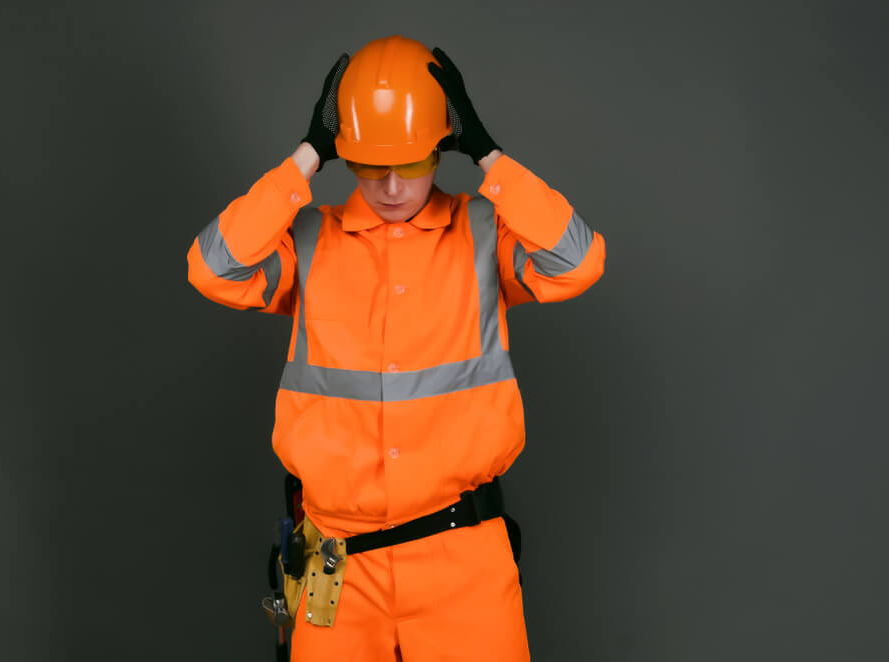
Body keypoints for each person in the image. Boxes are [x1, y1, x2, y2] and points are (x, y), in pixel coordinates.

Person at [187, 34, 605, 662]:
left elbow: (578, 260)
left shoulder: (483, 235)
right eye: (367, 164)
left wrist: (491, 156)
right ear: (344, 156)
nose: (388, 185)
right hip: (338, 566)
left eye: (408, 164)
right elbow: (211, 268)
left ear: (441, 148)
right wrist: (304, 158)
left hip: (461, 559)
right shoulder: (308, 242)